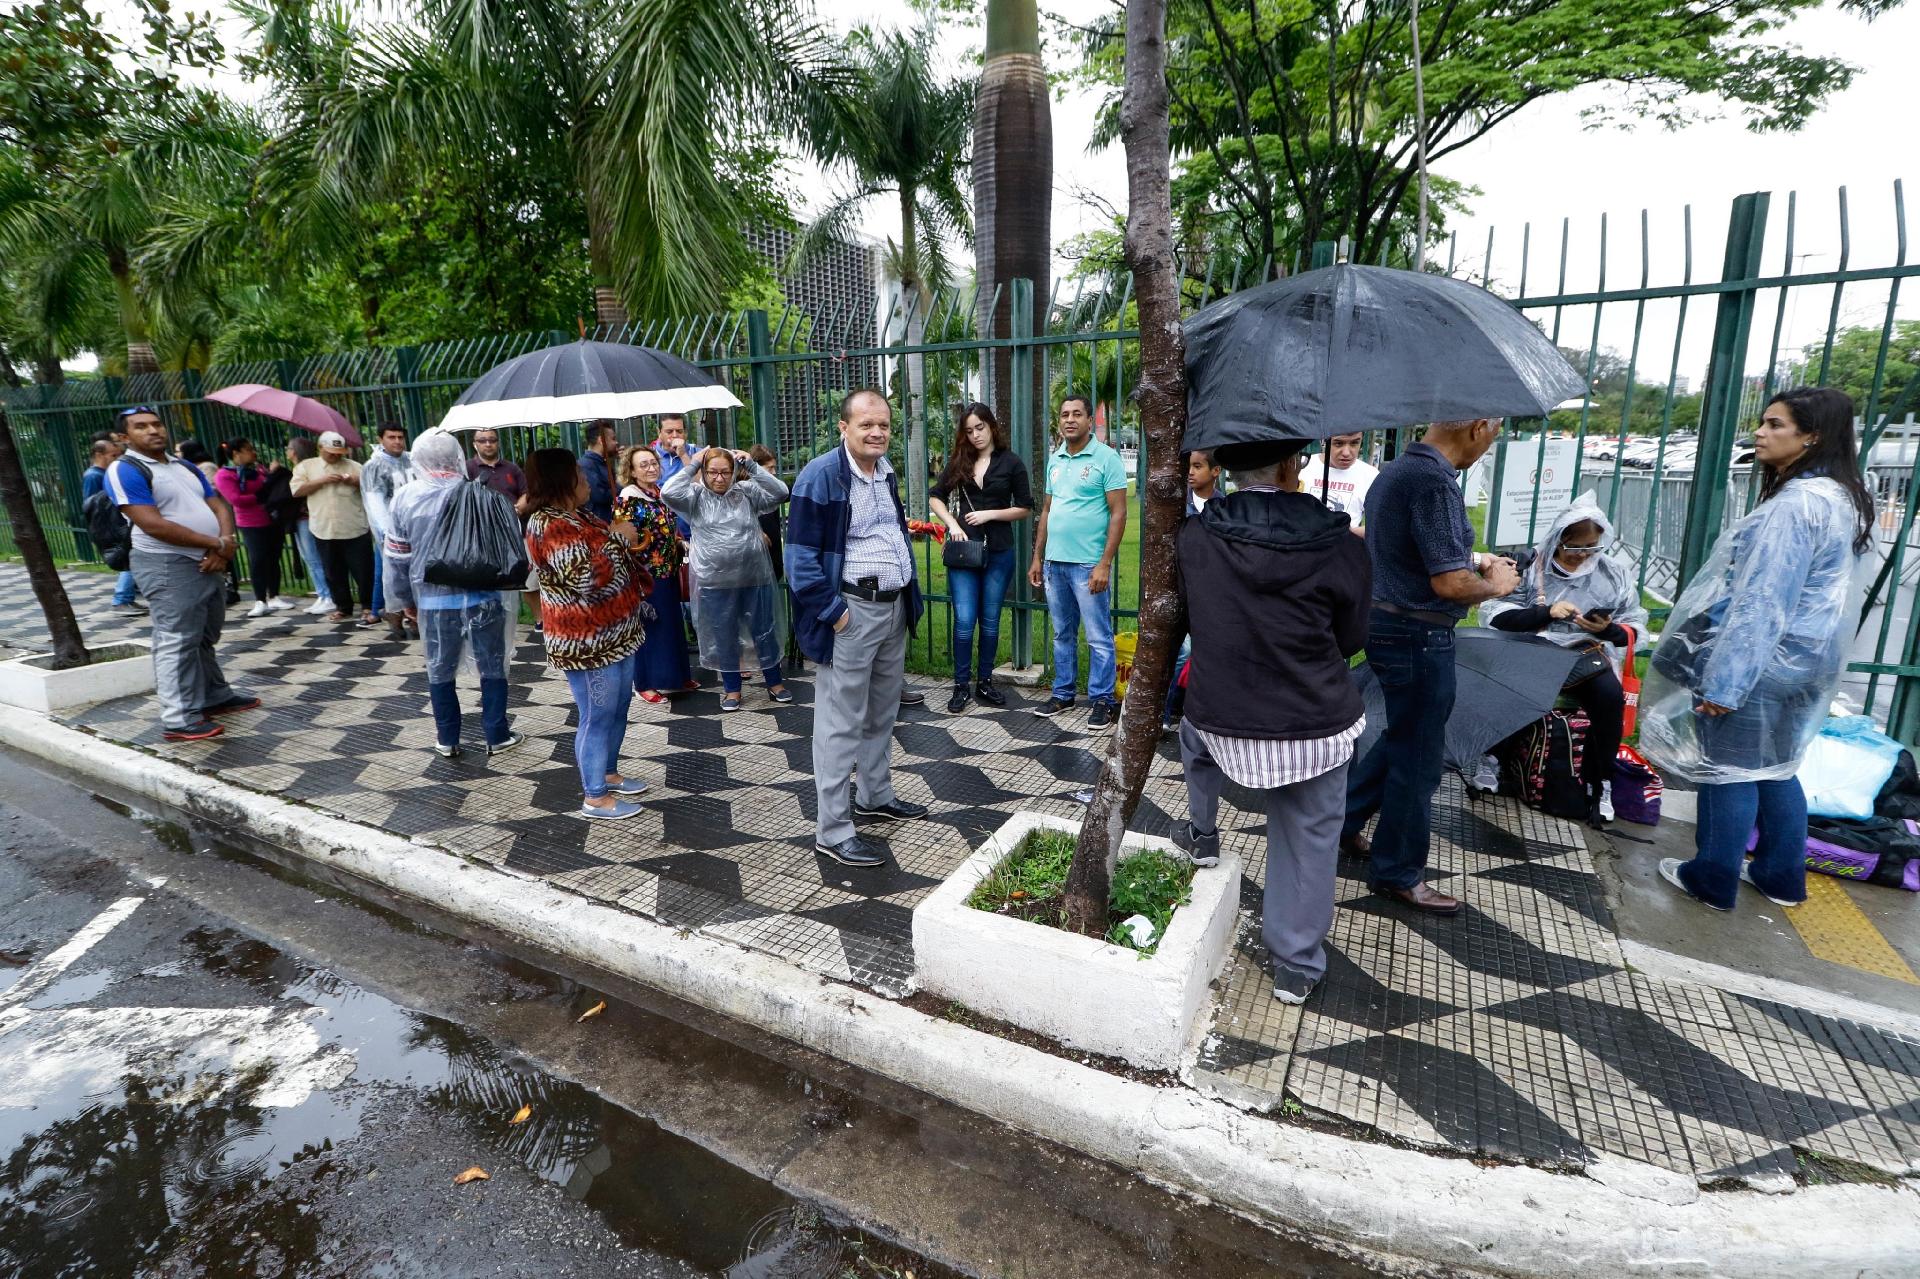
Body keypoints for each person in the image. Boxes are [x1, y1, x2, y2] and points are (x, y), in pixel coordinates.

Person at [1642, 388, 1876, 913]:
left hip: (1764, 662)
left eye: (1775, 424)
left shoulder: (1795, 506)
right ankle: (1780, 877)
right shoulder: (1846, 498)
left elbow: (1762, 602)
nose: (1760, 432)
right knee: (1776, 768)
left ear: (1811, 436)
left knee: (1727, 769)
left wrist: (1726, 684)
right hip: (1811, 662)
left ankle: (1711, 878)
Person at [1175, 439, 1372, 1004]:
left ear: (1228, 468)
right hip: (1313, 721)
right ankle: (1296, 963)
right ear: (1292, 465)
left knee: (1192, 736)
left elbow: (1191, 613)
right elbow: (1352, 638)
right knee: (1310, 834)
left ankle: (1202, 832)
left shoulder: (1194, 538)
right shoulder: (1343, 545)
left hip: (1220, 714)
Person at [1340, 419, 1522, 917]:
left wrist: (1471, 563)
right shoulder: (1433, 482)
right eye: (1495, 430)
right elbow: (1449, 584)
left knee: (1405, 738)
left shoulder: (1396, 472)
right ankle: (1398, 872)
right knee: (1419, 759)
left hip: (1388, 624)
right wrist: (1498, 583)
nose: (1492, 441)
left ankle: (1345, 822)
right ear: (1478, 426)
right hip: (1418, 635)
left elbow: (1409, 553)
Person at [787, 388, 928, 867]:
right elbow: (801, 561)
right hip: (851, 613)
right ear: (844, 427)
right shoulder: (820, 476)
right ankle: (832, 830)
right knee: (839, 724)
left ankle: (875, 795)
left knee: (882, 713)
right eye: (867, 424)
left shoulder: (885, 472)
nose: (877, 432)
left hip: (892, 610)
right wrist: (836, 614)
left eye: (884, 424)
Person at [1482, 493, 1648, 827]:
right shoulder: (1532, 566)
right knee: (1513, 688)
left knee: (1609, 697)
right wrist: (1546, 613)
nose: (1583, 554)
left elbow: (1635, 625)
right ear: (1559, 540)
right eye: (1575, 547)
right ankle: (1492, 759)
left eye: (1592, 547)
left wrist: (1608, 629)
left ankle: (1600, 781)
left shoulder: (1613, 573)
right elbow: (1495, 613)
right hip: (1534, 649)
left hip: (1587, 654)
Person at [106, 409, 258, 742]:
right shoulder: (126, 469)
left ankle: (214, 695)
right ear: (124, 437)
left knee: (204, 634)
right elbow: (153, 524)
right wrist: (216, 544)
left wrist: (224, 544)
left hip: (208, 558)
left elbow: (217, 505)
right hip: (167, 564)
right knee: (176, 639)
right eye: (141, 427)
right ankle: (179, 717)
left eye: (156, 424)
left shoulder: (184, 466)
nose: (153, 431)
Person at [523, 447, 653, 818]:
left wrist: (616, 534)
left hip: (617, 635)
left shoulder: (576, 515)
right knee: (597, 715)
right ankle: (595, 796)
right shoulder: (549, 524)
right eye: (579, 476)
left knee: (617, 708)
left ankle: (608, 773)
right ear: (562, 481)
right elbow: (585, 578)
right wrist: (618, 538)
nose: (586, 482)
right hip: (587, 643)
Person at [384, 430, 523, 759]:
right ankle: (496, 733)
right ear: (458, 457)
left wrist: (405, 601)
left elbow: (398, 558)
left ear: (419, 459)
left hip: (433, 603)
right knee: (493, 666)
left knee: (439, 669)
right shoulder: (481, 494)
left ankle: (447, 738)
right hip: (484, 598)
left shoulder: (405, 499)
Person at [663, 446, 792, 710]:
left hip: (752, 577)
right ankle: (732, 689)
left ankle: (775, 683)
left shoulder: (746, 492)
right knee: (724, 636)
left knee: (764, 632)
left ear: (734, 472)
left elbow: (781, 493)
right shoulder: (695, 496)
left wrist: (752, 466)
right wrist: (692, 464)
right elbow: (667, 493)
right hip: (715, 583)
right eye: (712, 472)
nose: (719, 478)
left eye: (725, 472)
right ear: (704, 472)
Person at [1028, 395, 1129, 727]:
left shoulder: (1106, 458)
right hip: (1055, 564)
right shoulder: (1055, 459)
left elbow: (1118, 513)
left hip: (1088, 564)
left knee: (1098, 636)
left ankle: (1102, 700)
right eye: (1064, 414)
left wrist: (1105, 563)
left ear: (1089, 420)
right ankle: (1063, 693)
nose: (1069, 419)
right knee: (1062, 633)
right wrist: (1037, 557)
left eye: (1076, 414)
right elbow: (1047, 510)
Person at [929, 401, 1033, 713]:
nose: (976, 435)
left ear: (991, 426)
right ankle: (961, 686)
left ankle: (984, 682)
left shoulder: (1011, 462)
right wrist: (952, 525)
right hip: (964, 551)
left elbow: (1025, 507)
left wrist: (990, 514)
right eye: (970, 430)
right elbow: (936, 497)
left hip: (999, 551)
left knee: (989, 620)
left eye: (980, 427)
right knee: (964, 620)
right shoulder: (961, 461)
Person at [617, 444, 692, 703]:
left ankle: (676, 676)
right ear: (631, 471)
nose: (651, 468)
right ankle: (645, 683)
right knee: (650, 625)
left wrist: (678, 540)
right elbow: (624, 537)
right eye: (644, 465)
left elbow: (667, 526)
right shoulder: (629, 497)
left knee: (672, 624)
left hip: (667, 569)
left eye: (653, 463)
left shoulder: (658, 492)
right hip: (646, 573)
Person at [290, 429, 378, 626]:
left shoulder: (355, 466)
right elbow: (296, 490)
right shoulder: (306, 467)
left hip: (354, 526)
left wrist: (354, 480)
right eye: (331, 453)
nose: (335, 456)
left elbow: (371, 487)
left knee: (364, 570)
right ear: (320, 448)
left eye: (339, 453)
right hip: (324, 528)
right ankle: (342, 607)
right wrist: (322, 481)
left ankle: (368, 606)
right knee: (332, 571)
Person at [1162, 450, 1222, 730]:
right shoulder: (1178, 504)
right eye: (1188, 466)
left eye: (1198, 466)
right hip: (1180, 588)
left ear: (1215, 471)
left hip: (1211, 593)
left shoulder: (1224, 507)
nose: (1190, 472)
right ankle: (1166, 712)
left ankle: (1197, 715)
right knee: (1179, 653)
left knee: (1207, 656)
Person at [213, 438, 296, 619]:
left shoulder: (258, 470)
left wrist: (271, 478)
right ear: (236, 453)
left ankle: (274, 595)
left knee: (274, 558)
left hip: (272, 519)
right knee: (258, 560)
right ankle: (260, 599)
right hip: (251, 522)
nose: (253, 453)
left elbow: (271, 488)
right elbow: (236, 499)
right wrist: (261, 495)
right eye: (249, 449)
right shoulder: (225, 475)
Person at [83, 435, 145, 615]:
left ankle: (126, 597)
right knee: (126, 557)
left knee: (130, 557)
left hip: (119, 521)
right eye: (113, 455)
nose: (117, 459)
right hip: (111, 524)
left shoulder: (107, 472)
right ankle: (121, 599)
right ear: (99, 454)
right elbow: (93, 504)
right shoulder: (93, 476)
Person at [361, 423, 413, 637]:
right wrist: (385, 532)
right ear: (380, 439)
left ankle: (411, 616)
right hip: (391, 530)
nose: (397, 441)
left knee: (412, 574)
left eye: (400, 437)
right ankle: (393, 614)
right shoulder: (374, 466)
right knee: (390, 575)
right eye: (391, 437)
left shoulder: (411, 459)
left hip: (414, 527)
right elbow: (374, 501)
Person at [281, 436, 335, 615]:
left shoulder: (307, 469)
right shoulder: (302, 469)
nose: (287, 451)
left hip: (307, 517)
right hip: (301, 517)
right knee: (309, 557)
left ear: (295, 451)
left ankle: (327, 595)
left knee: (313, 557)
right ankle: (322, 593)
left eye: (289, 448)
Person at [1298, 432, 1381, 528]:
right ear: (1324, 441)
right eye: (1338, 443)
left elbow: (1380, 526)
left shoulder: (1370, 475)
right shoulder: (1303, 466)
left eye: (1354, 443)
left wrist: (1344, 532)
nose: (1346, 453)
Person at [465, 428, 525, 503]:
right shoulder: (467, 468)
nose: (488, 444)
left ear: (498, 443)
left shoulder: (512, 468)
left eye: (492, 440)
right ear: (474, 445)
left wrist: (517, 508)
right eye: (482, 441)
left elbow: (526, 493)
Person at [579, 419, 619, 523]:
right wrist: (622, 485)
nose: (616, 443)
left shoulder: (602, 462)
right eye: (613, 439)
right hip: (600, 522)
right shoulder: (587, 465)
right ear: (601, 440)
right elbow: (599, 496)